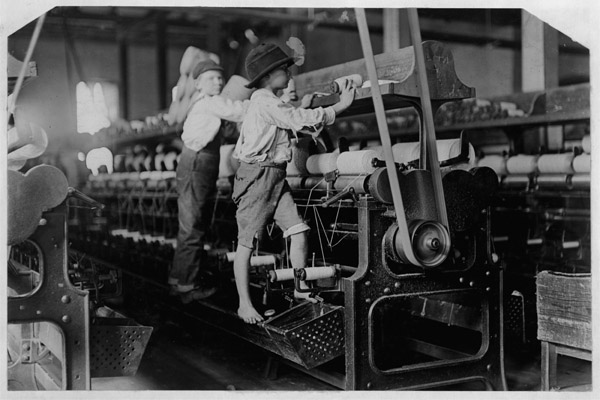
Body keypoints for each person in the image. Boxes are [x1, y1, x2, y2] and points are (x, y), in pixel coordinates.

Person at [232, 43, 355, 323]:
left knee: (298, 231)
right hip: (257, 177)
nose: (289, 74)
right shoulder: (265, 101)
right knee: (247, 244)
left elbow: (296, 120)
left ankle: (300, 288)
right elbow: (298, 119)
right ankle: (243, 304)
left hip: (275, 176)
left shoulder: (270, 101)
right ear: (266, 76)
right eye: (284, 70)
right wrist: (340, 106)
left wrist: (313, 108)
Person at [169, 59, 249, 303]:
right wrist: (266, 100)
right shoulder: (210, 102)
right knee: (193, 226)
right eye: (211, 78)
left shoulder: (203, 103)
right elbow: (240, 110)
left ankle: (179, 278)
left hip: (196, 163)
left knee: (191, 225)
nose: (218, 81)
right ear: (197, 83)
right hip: (198, 164)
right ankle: (187, 287)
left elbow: (227, 128)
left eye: (219, 77)